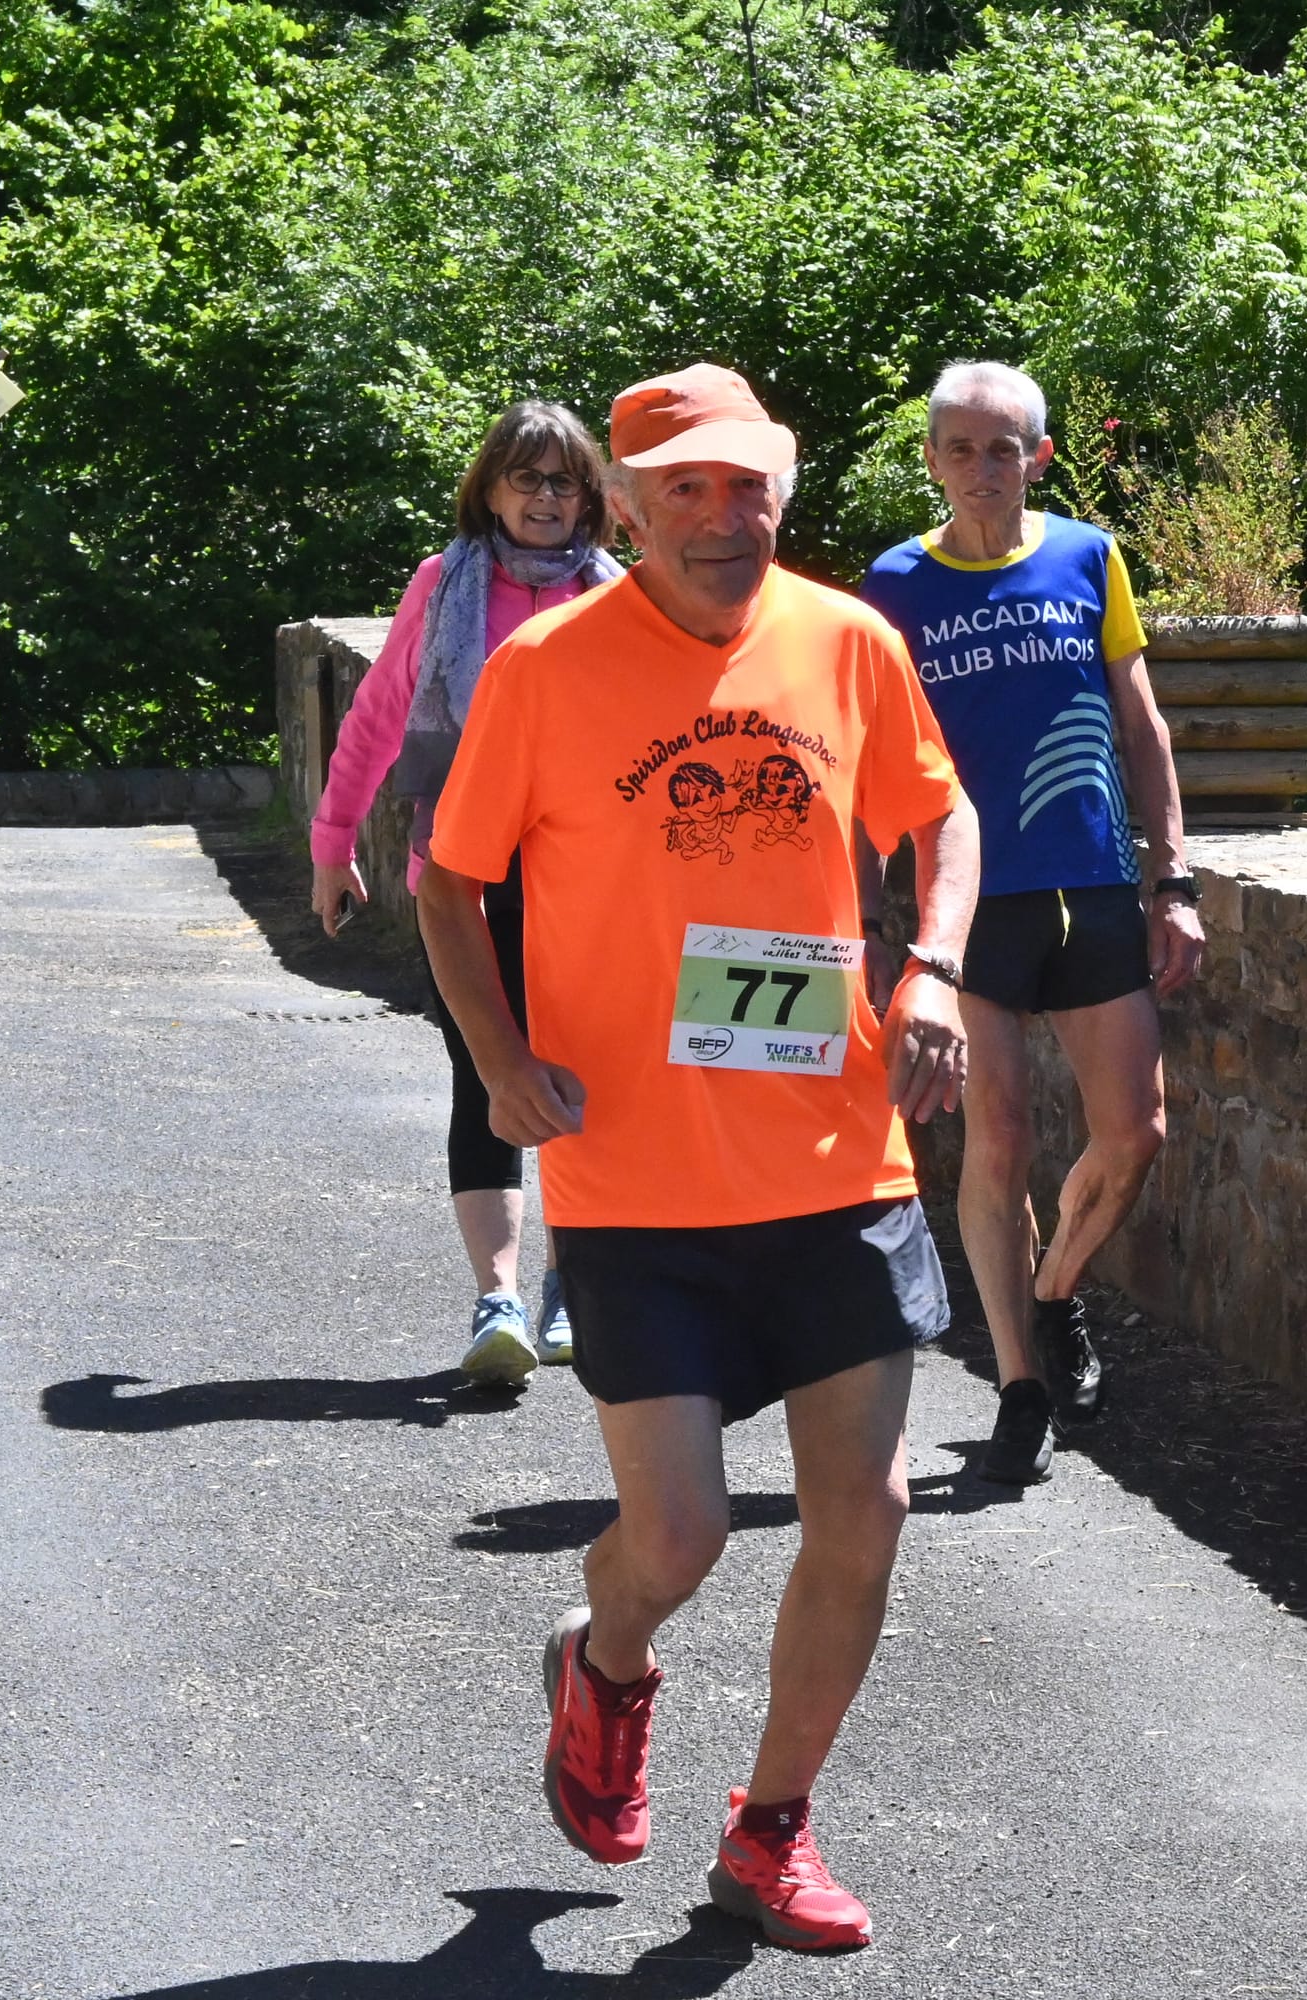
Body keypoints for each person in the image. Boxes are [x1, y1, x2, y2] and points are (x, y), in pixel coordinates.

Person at [418, 363, 977, 1951]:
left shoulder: (848, 640)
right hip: (635, 1181)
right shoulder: (546, 668)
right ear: (626, 508)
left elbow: (941, 820)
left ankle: (772, 1831)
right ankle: (602, 1663)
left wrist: (928, 965)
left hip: (836, 1157)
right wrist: (503, 1063)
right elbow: (452, 887)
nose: (728, 520)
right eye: (688, 492)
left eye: (750, 488)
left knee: (863, 1512)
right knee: (678, 1540)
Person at [861, 361, 1205, 1486]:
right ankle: (1015, 1384)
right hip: (969, 904)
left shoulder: (1086, 557)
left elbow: (1139, 723)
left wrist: (1175, 880)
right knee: (996, 1140)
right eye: (956, 448)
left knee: (1135, 1133)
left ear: (1037, 458)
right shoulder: (893, 585)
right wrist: (878, 916)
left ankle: (1054, 1296)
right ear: (929, 460)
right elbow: (863, 749)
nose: (978, 469)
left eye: (1000, 448)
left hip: (1092, 883)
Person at [308, 402, 622, 1385]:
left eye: (563, 480)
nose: (543, 497)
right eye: (525, 478)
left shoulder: (624, 599)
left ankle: (574, 1286)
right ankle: (499, 1298)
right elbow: (375, 717)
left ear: (590, 498)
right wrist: (332, 840)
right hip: (461, 882)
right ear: (487, 489)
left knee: (582, 1083)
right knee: (483, 1077)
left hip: (592, 886)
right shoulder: (445, 586)